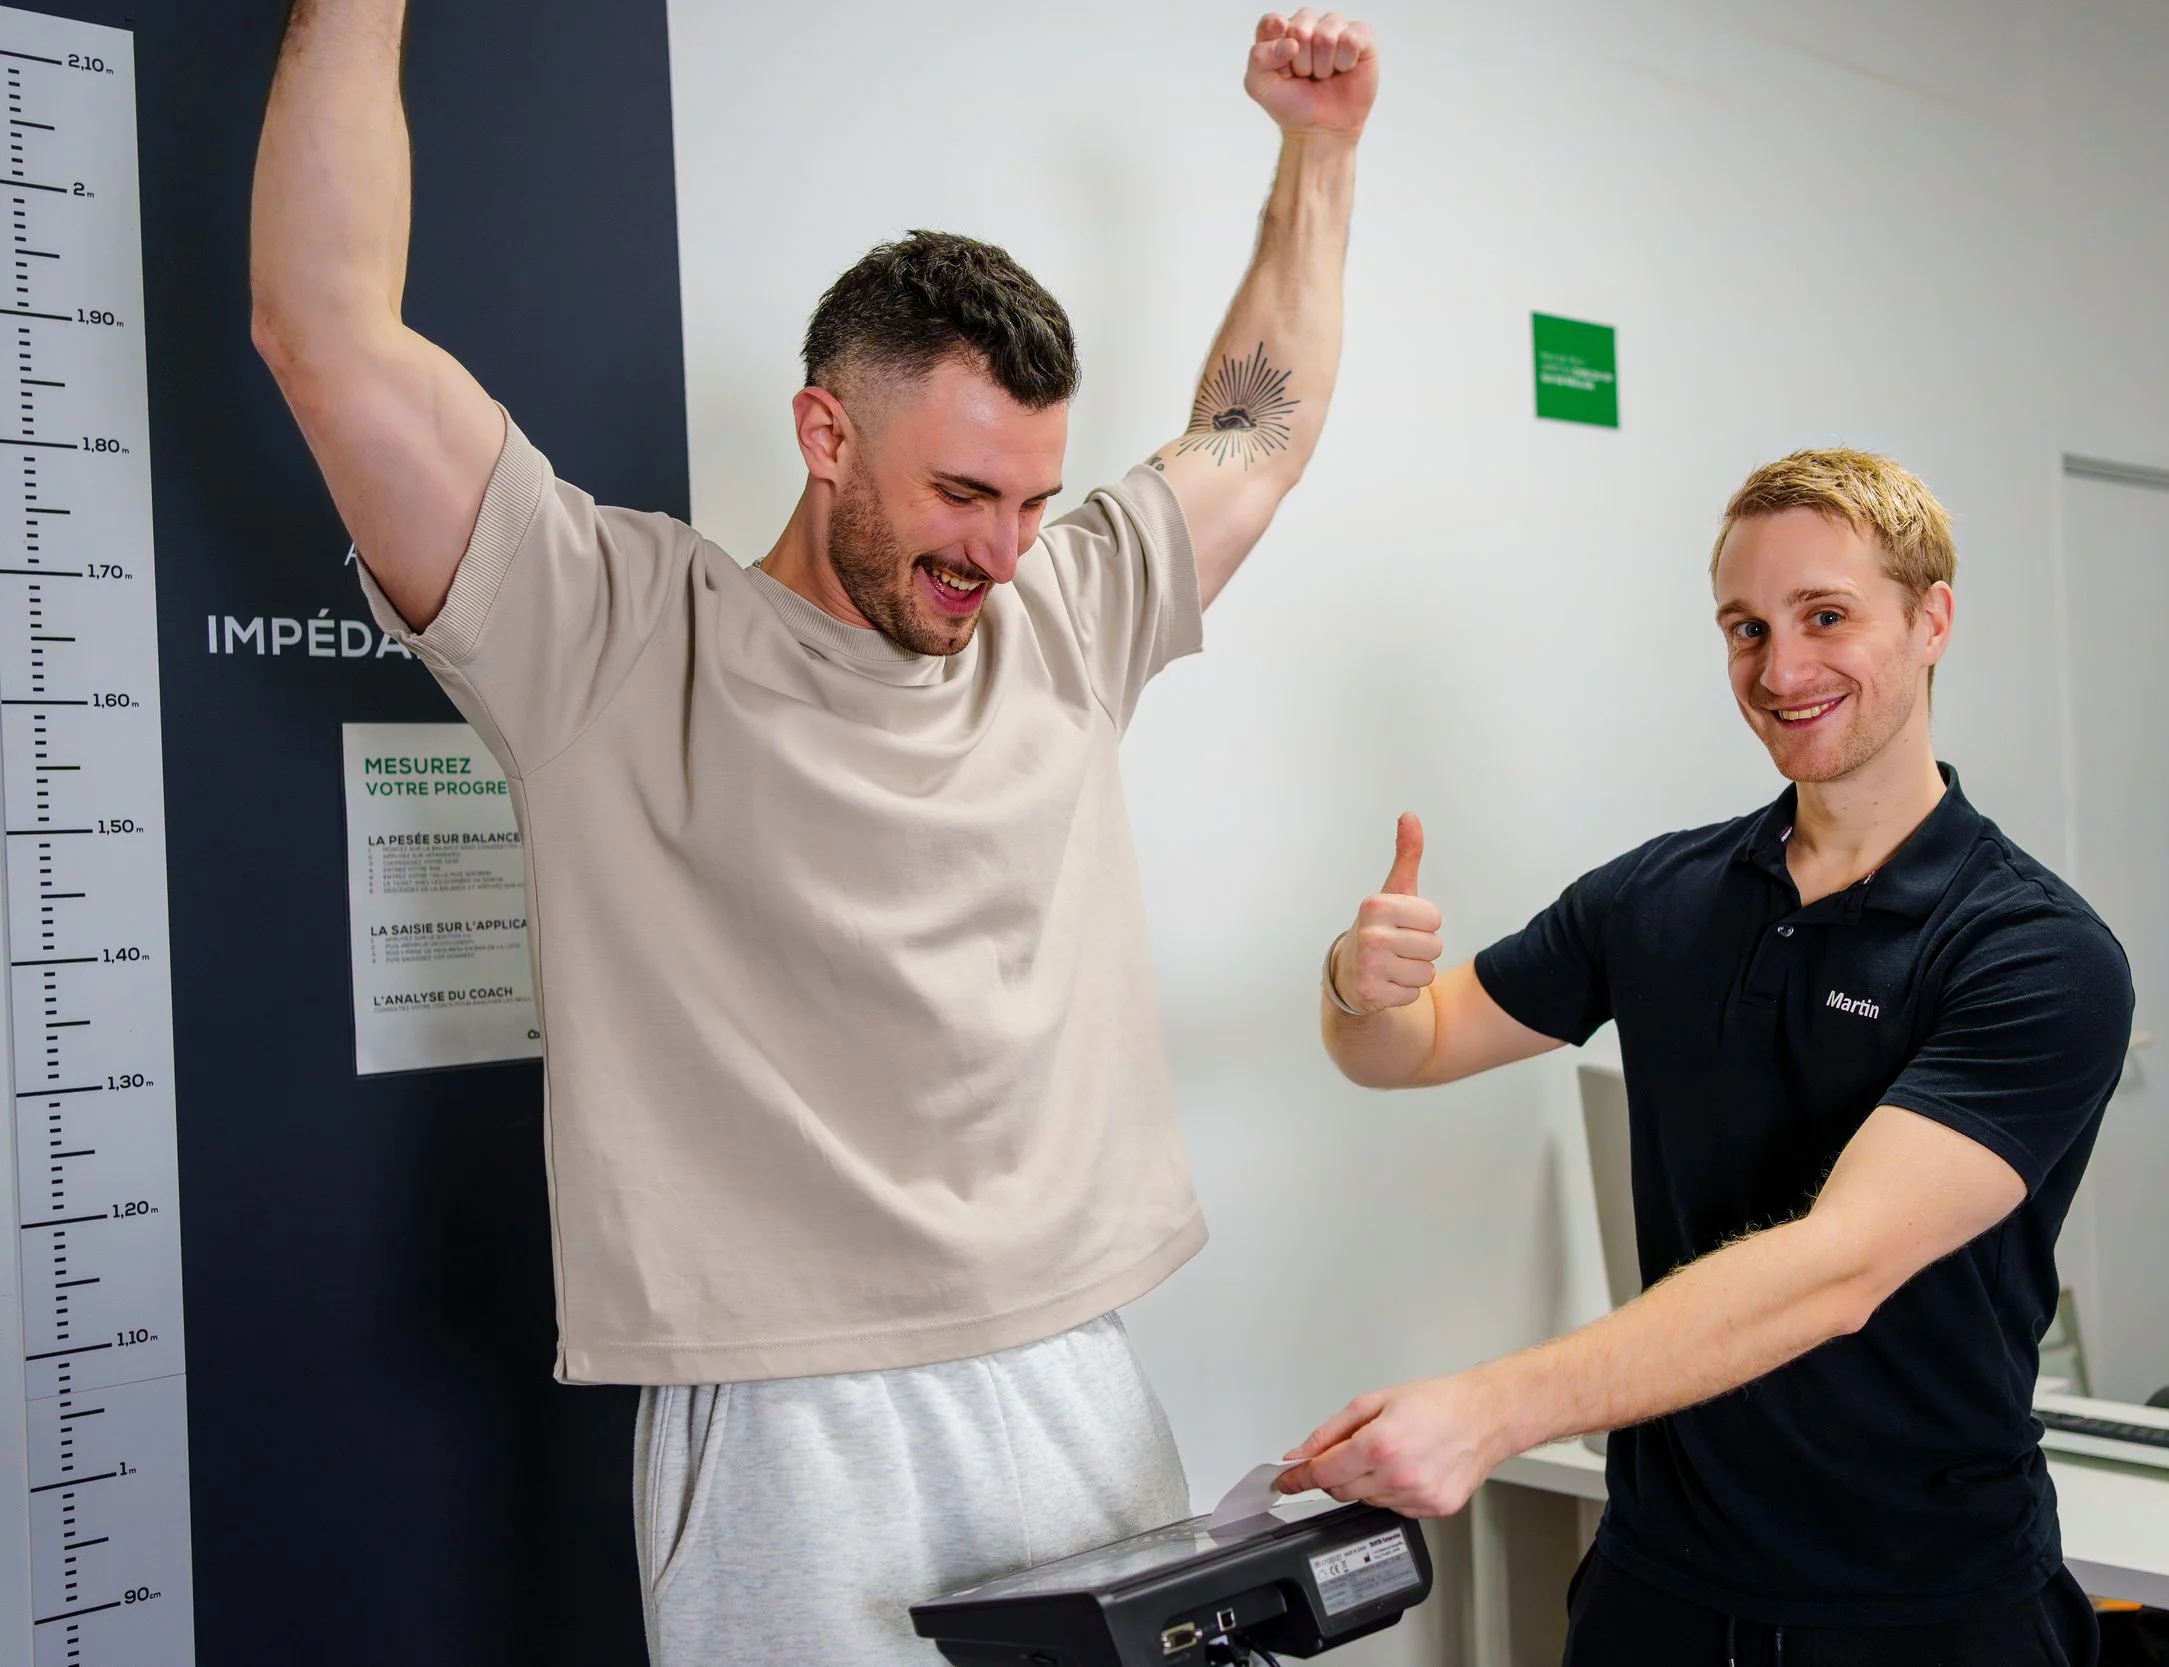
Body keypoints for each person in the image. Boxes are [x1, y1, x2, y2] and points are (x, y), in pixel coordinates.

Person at [249, 4, 1378, 1660]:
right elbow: (326, 337)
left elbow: (1255, 434)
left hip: (1068, 1361)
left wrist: (1318, 155)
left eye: (1033, 499)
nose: (1002, 549)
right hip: (787, 1420)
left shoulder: (1062, 613)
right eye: (961, 495)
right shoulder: (609, 632)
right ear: (825, 433)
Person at [1285, 450, 2132, 1666]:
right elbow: (1402, 1050)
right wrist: (1353, 984)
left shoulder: (2034, 952)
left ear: (1931, 616)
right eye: (1746, 627)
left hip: (1924, 1610)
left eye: (1825, 616)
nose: (1780, 671)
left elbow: (1836, 1271)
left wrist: (1491, 1408)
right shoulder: (1661, 895)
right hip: (1657, 1595)